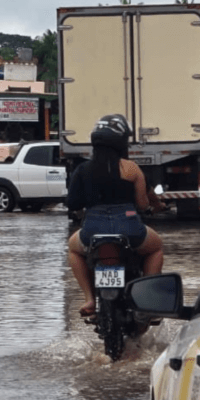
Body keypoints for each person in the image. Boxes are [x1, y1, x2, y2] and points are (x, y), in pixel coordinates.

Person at [66, 114, 164, 317]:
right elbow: (142, 204)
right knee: (156, 248)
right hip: (129, 228)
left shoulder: (82, 170)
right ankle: (148, 301)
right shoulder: (131, 168)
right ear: (122, 142)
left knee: (73, 250)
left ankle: (89, 299)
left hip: (92, 231)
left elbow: (73, 203)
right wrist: (151, 208)